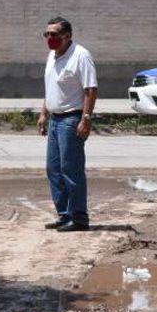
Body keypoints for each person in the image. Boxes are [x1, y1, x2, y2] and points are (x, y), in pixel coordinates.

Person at [37, 16, 97, 232]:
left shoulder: (81, 56)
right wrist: (44, 113)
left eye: (54, 34)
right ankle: (65, 214)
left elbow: (91, 89)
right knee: (53, 169)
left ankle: (79, 218)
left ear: (67, 36)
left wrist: (86, 119)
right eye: (47, 34)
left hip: (72, 119)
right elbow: (50, 88)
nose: (50, 39)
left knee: (71, 169)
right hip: (54, 119)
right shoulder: (52, 56)